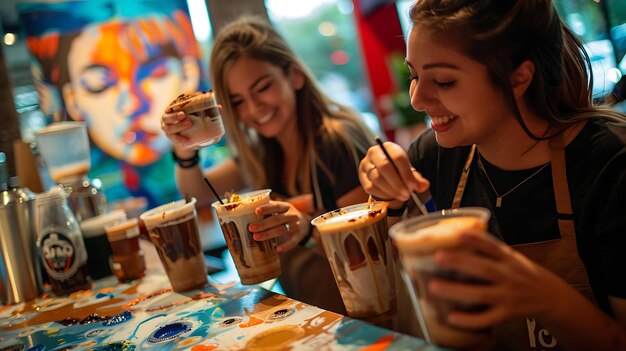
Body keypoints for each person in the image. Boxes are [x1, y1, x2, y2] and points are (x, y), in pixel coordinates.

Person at [359, 1, 626, 350]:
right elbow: (374, 292)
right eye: (414, 76)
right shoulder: (434, 156)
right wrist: (385, 199)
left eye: (443, 80)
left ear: (519, 77)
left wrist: (546, 299)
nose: (417, 99)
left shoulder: (609, 165)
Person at [161, 16, 375, 313]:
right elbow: (197, 191)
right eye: (237, 101)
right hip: (314, 318)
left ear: (295, 76)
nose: (253, 108)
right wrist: (185, 148)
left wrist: (306, 232)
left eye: (262, 88)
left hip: (364, 319)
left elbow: (363, 246)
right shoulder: (263, 152)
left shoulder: (337, 140)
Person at [27, 8, 203, 208]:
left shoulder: (214, 160)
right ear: (73, 101)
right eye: (99, 84)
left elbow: (202, 194)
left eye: (155, 73)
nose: (131, 105)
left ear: (189, 76)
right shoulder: (86, 192)